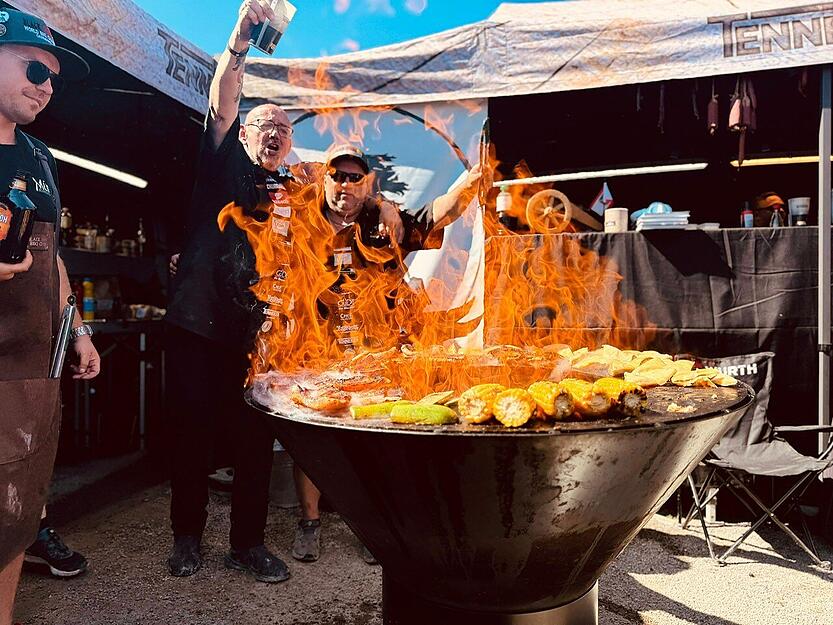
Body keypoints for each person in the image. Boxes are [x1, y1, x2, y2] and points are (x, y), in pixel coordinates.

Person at [164, 0, 402, 583]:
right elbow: (222, 98)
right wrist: (239, 41)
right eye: (262, 125)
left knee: (252, 440)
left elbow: (347, 201)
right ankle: (186, 539)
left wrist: (383, 201)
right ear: (243, 132)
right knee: (193, 436)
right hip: (199, 323)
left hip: (257, 335)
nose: (273, 133)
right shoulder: (221, 162)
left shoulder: (294, 189)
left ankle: (247, 543)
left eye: (282, 128)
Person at [284, 145, 482, 564]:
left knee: (375, 442)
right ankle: (309, 524)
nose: (345, 184)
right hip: (318, 349)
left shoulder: (383, 222)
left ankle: (372, 524)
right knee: (313, 441)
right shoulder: (305, 221)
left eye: (356, 178)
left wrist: (471, 180)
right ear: (325, 179)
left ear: (367, 183)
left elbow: (438, 213)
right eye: (338, 175)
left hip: (377, 354)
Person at [0, 8, 99, 623]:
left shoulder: (39, 158)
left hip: (34, 370)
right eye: (35, 67)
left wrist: (80, 330)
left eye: (54, 77)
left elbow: (52, 257)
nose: (46, 84)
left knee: (14, 520)